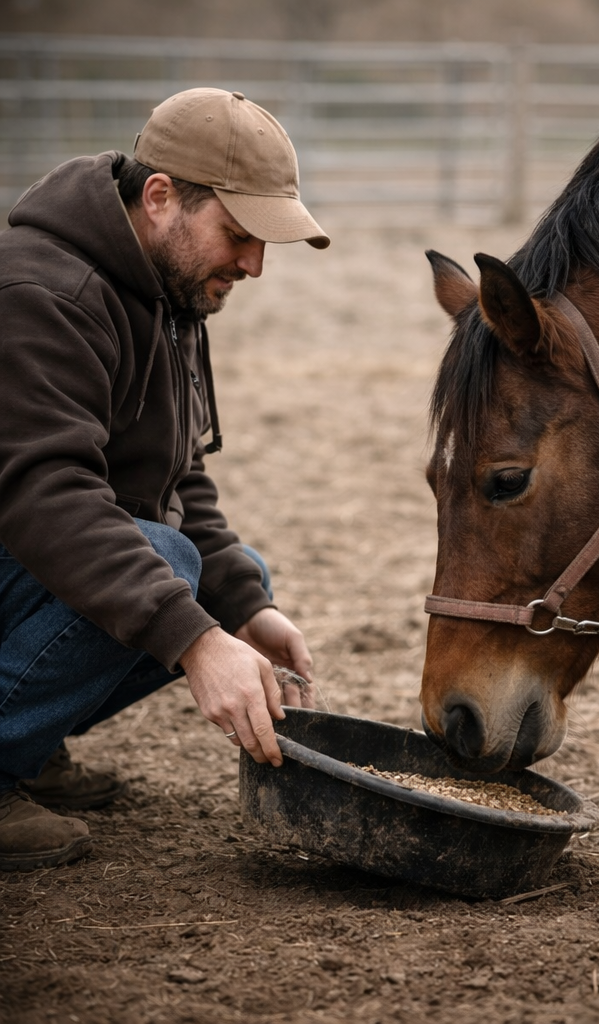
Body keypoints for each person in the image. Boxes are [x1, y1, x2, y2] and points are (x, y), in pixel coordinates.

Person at [0, 88, 330, 872]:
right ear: (159, 199)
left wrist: (245, 609)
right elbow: (45, 493)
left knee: (228, 583)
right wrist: (191, 642)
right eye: (241, 233)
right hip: (21, 527)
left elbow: (178, 475)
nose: (254, 264)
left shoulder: (166, 290)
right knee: (174, 578)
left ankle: (26, 740)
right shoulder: (42, 294)